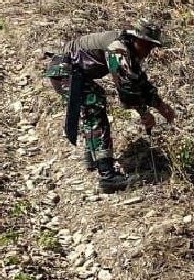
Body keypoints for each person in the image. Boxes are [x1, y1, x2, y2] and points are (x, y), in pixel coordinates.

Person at [44, 20, 176, 192]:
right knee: (94, 107)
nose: (148, 51)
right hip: (65, 72)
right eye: (146, 45)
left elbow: (138, 80)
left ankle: (93, 158)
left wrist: (161, 105)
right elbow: (126, 88)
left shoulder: (129, 49)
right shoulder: (117, 48)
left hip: (73, 72)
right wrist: (144, 113)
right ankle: (108, 176)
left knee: (94, 101)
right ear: (135, 39)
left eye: (151, 47)